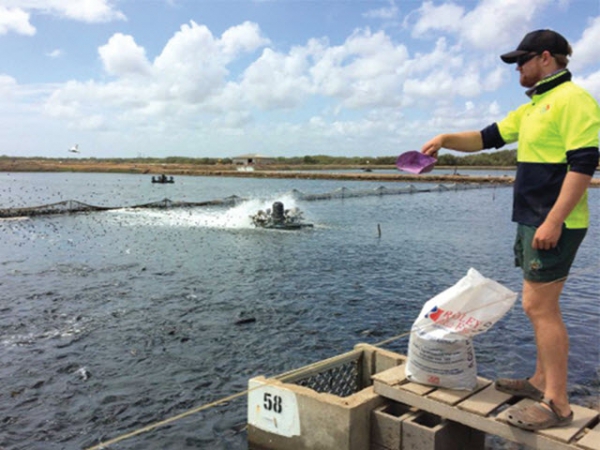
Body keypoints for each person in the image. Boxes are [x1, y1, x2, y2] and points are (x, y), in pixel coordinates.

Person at [421, 29, 600, 431]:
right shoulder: (537, 105)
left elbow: (584, 164)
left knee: (540, 307)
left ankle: (558, 403)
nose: (517, 68)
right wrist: (445, 138)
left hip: (555, 223)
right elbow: (486, 138)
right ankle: (539, 382)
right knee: (537, 305)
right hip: (534, 220)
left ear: (547, 58)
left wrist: (553, 220)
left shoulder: (573, 100)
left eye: (522, 60)